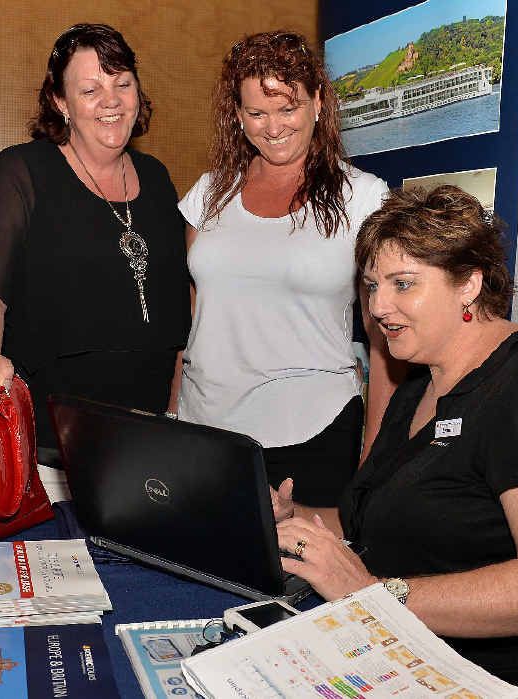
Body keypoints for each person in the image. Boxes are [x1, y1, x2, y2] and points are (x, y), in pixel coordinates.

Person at [274, 186, 518, 693]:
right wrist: (298, 523)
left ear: (469, 282)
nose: (379, 307)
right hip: (390, 659)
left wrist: (371, 594)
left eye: (403, 284)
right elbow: (377, 524)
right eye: (371, 286)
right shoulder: (417, 385)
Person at [0, 23, 190, 461]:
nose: (111, 101)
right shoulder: (22, 173)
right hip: (49, 444)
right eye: (90, 89)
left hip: (147, 440)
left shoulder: (157, 178)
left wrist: (172, 411)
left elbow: (176, 308)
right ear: (61, 102)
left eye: (122, 84)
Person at [175, 30, 400, 507]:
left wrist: (374, 455)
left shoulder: (363, 198)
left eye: (287, 108)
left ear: (318, 102)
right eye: (256, 113)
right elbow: (194, 319)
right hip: (203, 431)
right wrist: (172, 414)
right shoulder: (208, 193)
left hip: (311, 434)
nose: (272, 127)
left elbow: (384, 339)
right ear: (237, 116)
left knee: (296, 579)